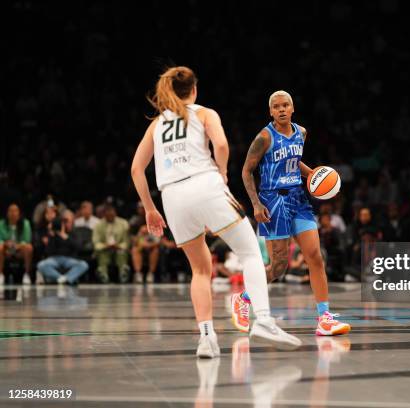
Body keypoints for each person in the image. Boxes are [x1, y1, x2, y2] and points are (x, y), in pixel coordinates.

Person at [130, 66, 300, 358]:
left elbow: (136, 169)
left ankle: (207, 338)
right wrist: (221, 172)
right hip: (205, 184)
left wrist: (149, 209)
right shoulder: (204, 113)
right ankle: (264, 320)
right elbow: (220, 144)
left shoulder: (156, 124)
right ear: (194, 90)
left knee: (200, 269)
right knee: (249, 254)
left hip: (172, 197)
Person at [236, 90, 351, 336]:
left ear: (292, 107)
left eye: (285, 105)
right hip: (272, 201)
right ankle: (244, 298)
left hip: (299, 198)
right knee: (278, 267)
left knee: (315, 257)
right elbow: (246, 171)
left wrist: (313, 175)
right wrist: (256, 204)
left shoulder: (302, 133)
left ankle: (324, 318)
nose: (281, 109)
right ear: (270, 111)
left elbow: (293, 160)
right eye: (276, 106)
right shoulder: (264, 138)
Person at [37, 210, 88, 285]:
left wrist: (66, 237)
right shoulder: (54, 233)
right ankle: (62, 279)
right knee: (41, 265)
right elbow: (48, 251)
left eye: (67, 221)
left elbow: (79, 247)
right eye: (63, 221)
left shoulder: (74, 233)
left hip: (70, 259)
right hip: (54, 259)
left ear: (72, 222)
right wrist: (52, 236)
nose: (65, 223)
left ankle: (67, 278)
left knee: (84, 265)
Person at [92, 204, 130, 283]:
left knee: (121, 253)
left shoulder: (123, 223)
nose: (110, 217)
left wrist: (119, 246)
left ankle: (123, 273)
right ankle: (103, 274)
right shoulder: (98, 225)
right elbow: (96, 242)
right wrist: (105, 246)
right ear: (104, 215)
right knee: (102, 254)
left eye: (112, 215)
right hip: (105, 249)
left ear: (115, 214)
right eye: (108, 215)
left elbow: (127, 241)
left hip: (119, 248)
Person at [0, 203, 33, 285]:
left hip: (19, 250)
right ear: (7, 213)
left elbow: (27, 240)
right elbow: (0, 239)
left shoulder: (25, 224)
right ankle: (0, 274)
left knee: (29, 247)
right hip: (6, 250)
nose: (13, 213)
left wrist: (17, 246)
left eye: (15, 211)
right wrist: (5, 244)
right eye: (10, 211)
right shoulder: (1, 224)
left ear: (19, 213)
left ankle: (27, 274)